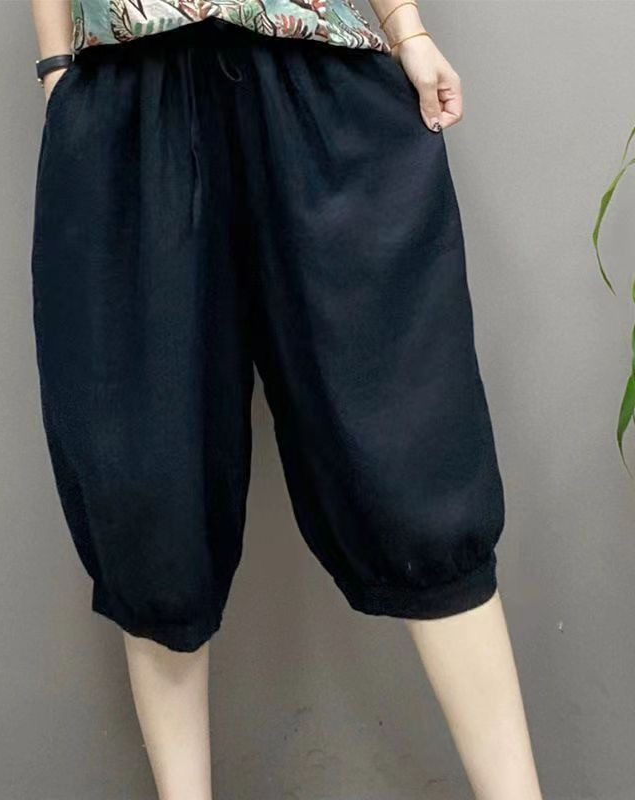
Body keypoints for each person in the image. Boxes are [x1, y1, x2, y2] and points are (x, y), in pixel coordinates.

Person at [28, 0, 543, 797]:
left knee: (412, 458)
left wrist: (407, 30)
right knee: (148, 484)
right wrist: (57, 70)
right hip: (128, 91)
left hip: (320, 76)